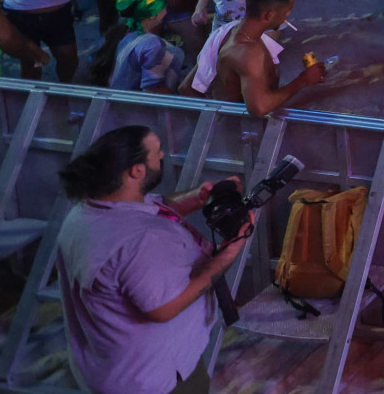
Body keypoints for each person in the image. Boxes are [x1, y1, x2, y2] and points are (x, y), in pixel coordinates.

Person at [53, 124, 253, 394]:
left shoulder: (89, 209)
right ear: (137, 171)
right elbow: (164, 308)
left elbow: (155, 206)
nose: (162, 155)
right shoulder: (141, 241)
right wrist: (227, 254)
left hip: (108, 366)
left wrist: (198, 197)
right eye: (156, 151)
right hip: (153, 379)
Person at [195, 0, 325, 116]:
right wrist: (304, 80)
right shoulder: (248, 52)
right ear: (269, 15)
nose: (287, 16)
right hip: (243, 124)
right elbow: (259, 108)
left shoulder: (234, 32)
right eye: (287, 11)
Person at [94, 0, 185, 92]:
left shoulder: (118, 33)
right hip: (135, 101)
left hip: (115, 99)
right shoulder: (151, 43)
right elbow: (154, 91)